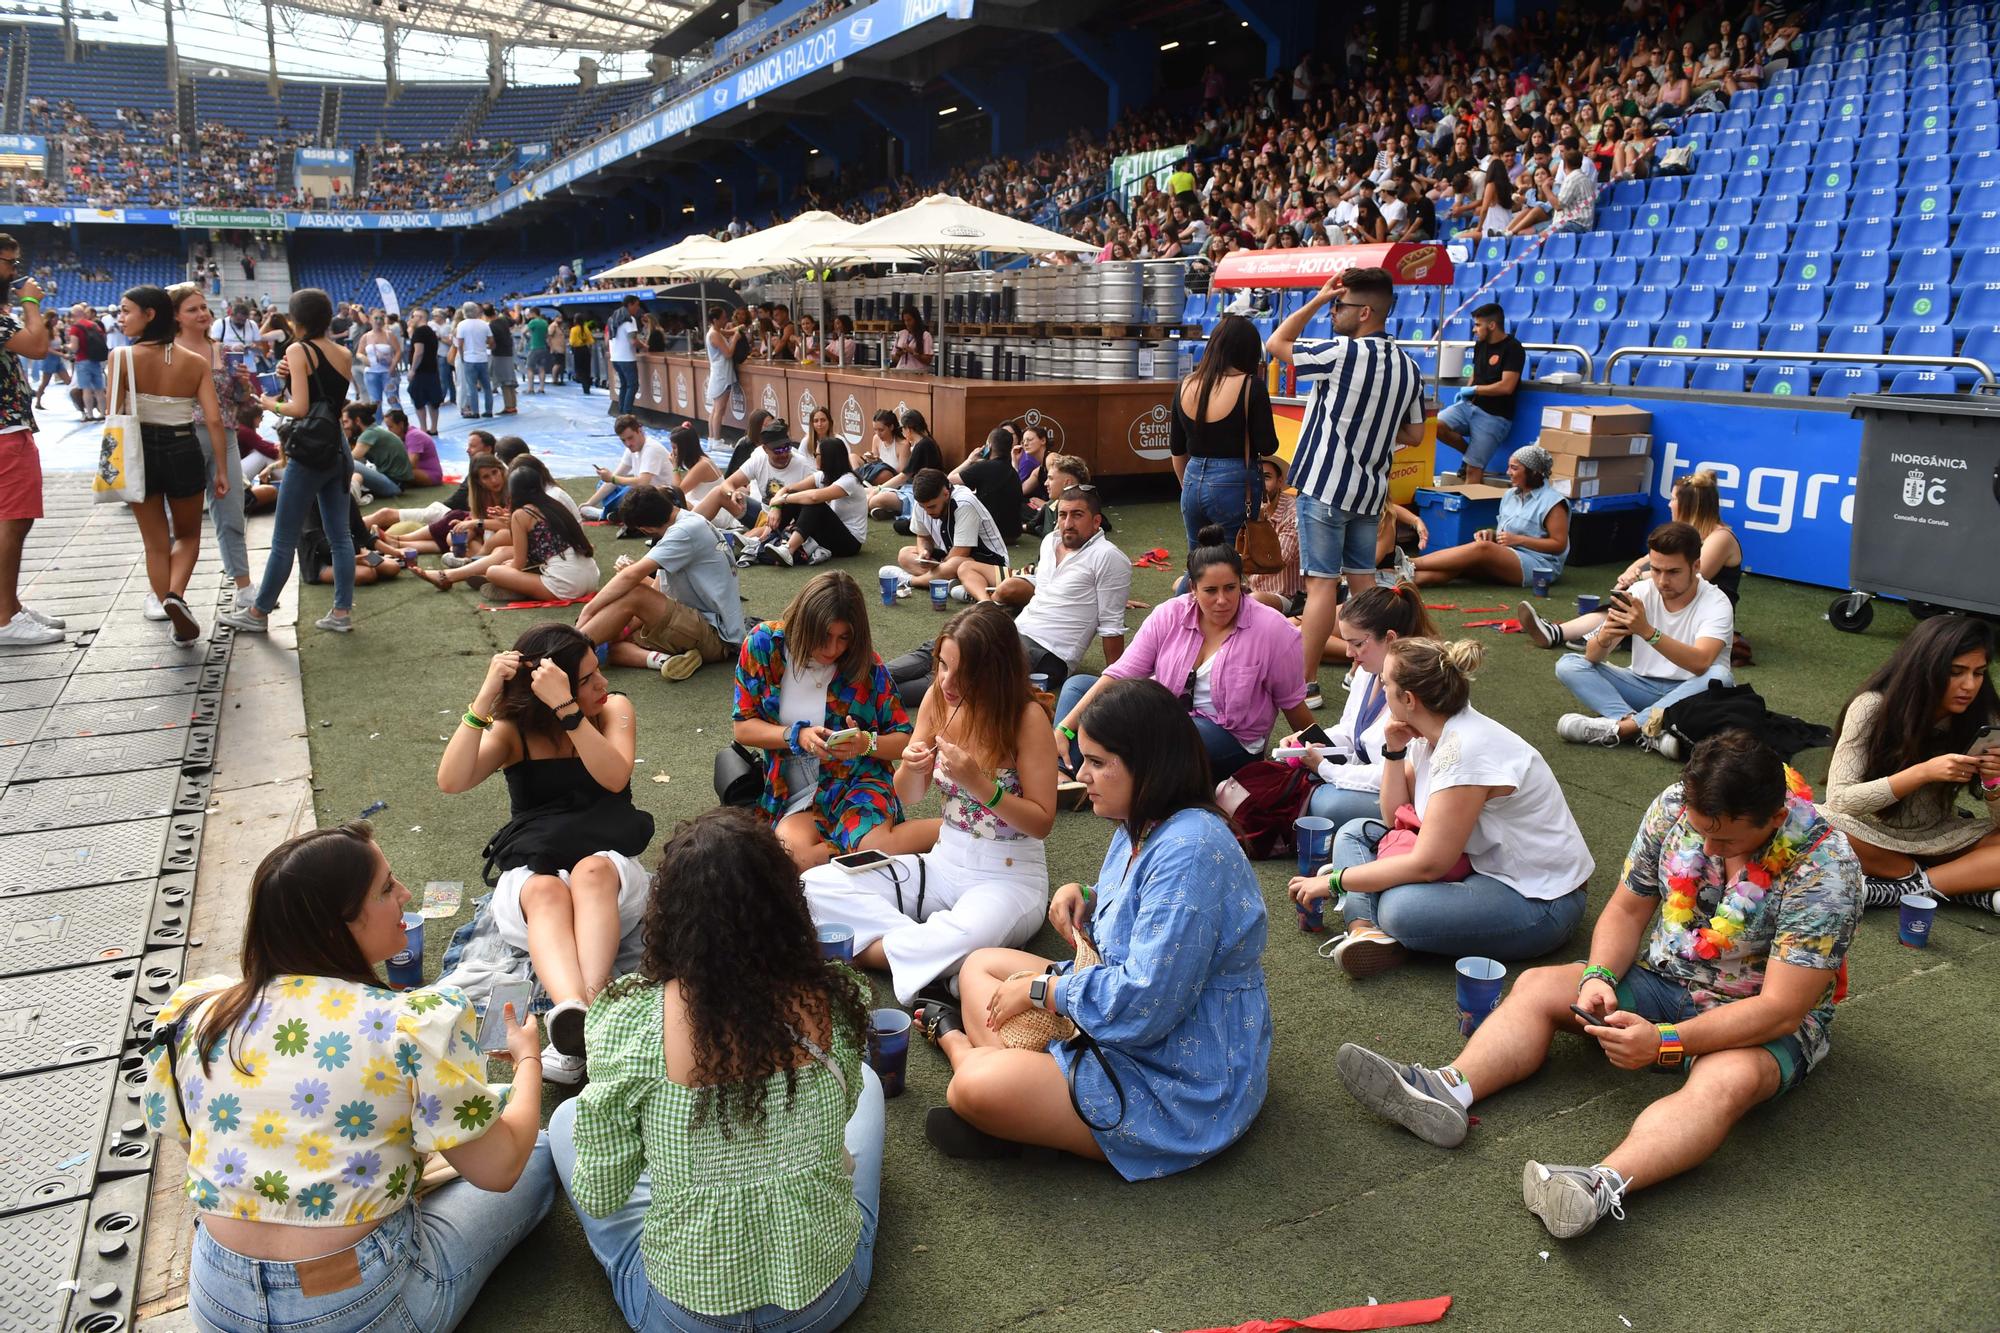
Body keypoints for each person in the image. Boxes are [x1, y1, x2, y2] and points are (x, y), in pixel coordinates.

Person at [1334, 731, 1860, 1239]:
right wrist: (1599, 976)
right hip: (1666, 977)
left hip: (1756, 1016)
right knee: (1541, 987)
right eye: (1701, 832)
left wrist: (1667, 1043)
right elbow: (1628, 908)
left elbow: (1782, 1010)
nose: (1709, 845)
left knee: (1725, 1084)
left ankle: (1594, 1186)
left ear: (1774, 817)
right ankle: (1447, 1089)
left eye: (1724, 839)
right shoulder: (1679, 806)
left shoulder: (1826, 869)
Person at [141, 822, 554, 1332]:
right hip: (355, 1302)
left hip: (218, 1297)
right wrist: (529, 1058)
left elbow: (199, 1145)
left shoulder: (199, 1014)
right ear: (338, 925)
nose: (404, 894)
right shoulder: (407, 1024)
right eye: (385, 889)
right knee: (534, 1149)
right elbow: (499, 1170)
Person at [917, 678, 1271, 1174]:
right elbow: (1148, 912)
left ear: (1149, 764)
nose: (1081, 774)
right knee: (980, 966)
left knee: (974, 1087)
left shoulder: (1191, 852)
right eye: (1084, 759)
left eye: (1099, 762)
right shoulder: (1148, 819)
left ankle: (962, 1050)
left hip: (1179, 1076)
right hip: (1118, 1014)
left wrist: (1043, 992)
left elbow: (1149, 1003)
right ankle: (1022, 1100)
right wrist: (1086, 896)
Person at [549, 807, 884, 1332]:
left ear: (669, 914)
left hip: (685, 1316)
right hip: (822, 1302)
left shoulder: (631, 1018)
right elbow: (840, 1114)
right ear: (784, 903)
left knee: (569, 1119)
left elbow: (601, 1193)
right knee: (871, 1091)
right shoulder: (830, 999)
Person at [1294, 637, 1593, 973]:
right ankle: (1364, 928)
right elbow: (1393, 817)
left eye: (1385, 682)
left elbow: (1429, 865)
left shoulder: (1462, 750)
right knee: (1354, 832)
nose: (1380, 685)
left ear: (1408, 698)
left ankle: (1373, 911)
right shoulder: (1432, 729)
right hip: (1483, 868)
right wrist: (1393, 750)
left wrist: (1336, 882)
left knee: (1399, 909)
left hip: (1541, 902)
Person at [804, 607, 1058, 1004]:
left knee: (967, 934)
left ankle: (872, 949)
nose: (946, 680)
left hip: (1008, 877)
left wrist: (979, 784)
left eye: (962, 672)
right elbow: (908, 795)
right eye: (942, 665)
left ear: (995, 670)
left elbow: (1042, 822)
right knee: (814, 886)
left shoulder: (1027, 718)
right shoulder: (938, 700)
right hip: (941, 865)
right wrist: (911, 766)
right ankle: (943, 962)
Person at [436, 624, 654, 1083]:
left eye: (600, 672)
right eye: (589, 678)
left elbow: (614, 777)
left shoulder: (613, 709)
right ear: (548, 687)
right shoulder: (514, 732)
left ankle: (584, 1017)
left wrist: (570, 710)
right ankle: (574, 1014)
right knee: (545, 889)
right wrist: (483, 699)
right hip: (536, 872)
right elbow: (451, 781)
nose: (603, 685)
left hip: (608, 871)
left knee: (592, 870)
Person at [1266, 267, 1426, 712]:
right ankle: (1375, 673)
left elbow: (1276, 343)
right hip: (1370, 491)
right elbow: (1414, 434)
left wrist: (1315, 299)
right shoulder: (1409, 367)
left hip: (1324, 485)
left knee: (1320, 586)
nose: (1333, 311)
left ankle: (1305, 683)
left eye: (1340, 305)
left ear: (1365, 312)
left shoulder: (1340, 352)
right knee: (1363, 583)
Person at [1055, 527, 1311, 783]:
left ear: (1241, 585)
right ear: (1193, 588)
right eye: (1211, 590)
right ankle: (1064, 772)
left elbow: (1293, 705)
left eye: (1231, 588)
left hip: (1231, 741)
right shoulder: (1170, 614)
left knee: (1160, 733)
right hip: (1165, 721)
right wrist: (1065, 728)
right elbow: (1120, 674)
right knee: (1078, 688)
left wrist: (1325, 756)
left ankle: (1108, 778)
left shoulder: (1273, 629)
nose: (1222, 600)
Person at [731, 571, 919, 873]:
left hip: (858, 776)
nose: (833, 649)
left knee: (867, 845)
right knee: (796, 857)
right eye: (824, 636)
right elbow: (743, 728)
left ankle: (952, 834)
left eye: (844, 637)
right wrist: (797, 735)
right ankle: (873, 852)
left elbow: (904, 739)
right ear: (803, 624)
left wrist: (865, 744)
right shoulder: (764, 644)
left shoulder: (865, 663)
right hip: (792, 784)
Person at [1821, 614, 2000, 911]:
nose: (1969, 685)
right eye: (1956, 672)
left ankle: (1906, 888)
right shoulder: (1872, 707)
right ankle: (1957, 889)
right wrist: (1922, 772)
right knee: (1805, 821)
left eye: (1978, 673)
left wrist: (1994, 783)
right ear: (1926, 669)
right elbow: (1839, 802)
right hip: (1866, 833)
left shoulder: (1986, 717)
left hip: (1941, 836)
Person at [224, 291, 356, 636]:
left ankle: (258, 611)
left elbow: (299, 408)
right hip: (337, 448)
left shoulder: (299, 350)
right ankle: (341, 612)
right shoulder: (343, 352)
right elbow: (325, 395)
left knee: (284, 537)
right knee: (340, 535)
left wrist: (270, 403)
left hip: (309, 450)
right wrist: (288, 372)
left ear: (295, 321)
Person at [113, 285, 231, 645]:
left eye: (126, 310)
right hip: (183, 447)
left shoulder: (121, 357)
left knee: (154, 543)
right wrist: (222, 469)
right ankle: (175, 596)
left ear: (150, 315)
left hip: (139, 452)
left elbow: (114, 415)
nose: (121, 317)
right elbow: (213, 419)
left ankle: (169, 604)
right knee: (189, 535)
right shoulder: (195, 362)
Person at [1553, 522, 1735, 751]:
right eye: (1656, 570)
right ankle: (1646, 728)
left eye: (1673, 572)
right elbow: (1593, 657)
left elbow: (1700, 664)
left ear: (1696, 566)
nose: (1662, 581)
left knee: (1720, 676)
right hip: (1641, 685)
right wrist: (1604, 638)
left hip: (1693, 693)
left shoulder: (1716, 601)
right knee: (1569, 664)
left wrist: (1647, 632)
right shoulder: (1639, 592)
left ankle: (1625, 729)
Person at [1518, 469, 1742, 650]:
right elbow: (1648, 559)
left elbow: (1695, 576)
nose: (1669, 504)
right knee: (1628, 602)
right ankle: (1562, 632)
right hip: (1674, 598)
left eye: (1673, 499)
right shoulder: (1682, 535)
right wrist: (1631, 573)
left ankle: (1576, 633)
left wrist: (1636, 579)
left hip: (1699, 609)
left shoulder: (1720, 538)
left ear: (1690, 506)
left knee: (1631, 604)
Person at [1281, 582, 1436, 831]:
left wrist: (1327, 769)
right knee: (1309, 790)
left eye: (1356, 643)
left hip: (1409, 793)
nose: (1348, 653)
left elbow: (1396, 773)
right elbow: (1350, 731)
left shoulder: (1417, 690)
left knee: (1327, 804)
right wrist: (1308, 740)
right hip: (1377, 778)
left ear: (1390, 639)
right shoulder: (1369, 671)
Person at [575, 485, 744, 683]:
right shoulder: (687, 522)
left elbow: (632, 577)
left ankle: (566, 650)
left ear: (645, 529)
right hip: (702, 627)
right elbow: (658, 590)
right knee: (608, 643)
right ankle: (664, 660)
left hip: (717, 636)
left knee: (634, 593)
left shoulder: (684, 532)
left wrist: (588, 611)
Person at [166, 283, 255, 617]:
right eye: (193, 309)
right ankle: (169, 593)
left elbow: (241, 401)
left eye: (204, 307)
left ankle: (244, 587)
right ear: (175, 316)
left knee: (231, 513)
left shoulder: (223, 350)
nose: (202, 314)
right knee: (181, 524)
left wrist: (244, 383)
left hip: (226, 438)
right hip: (181, 439)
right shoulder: (167, 351)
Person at [1171, 314, 1282, 552]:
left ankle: (1187, 590)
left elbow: (1176, 448)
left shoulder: (1186, 384)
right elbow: (1268, 445)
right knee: (1232, 559)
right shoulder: (1251, 385)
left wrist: (1188, 485)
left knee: (1198, 560)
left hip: (1192, 480)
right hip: (1233, 482)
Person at [412, 465, 599, 601]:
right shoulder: (554, 504)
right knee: (504, 555)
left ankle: (508, 585)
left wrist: (506, 567)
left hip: (567, 585)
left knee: (494, 571)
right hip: (591, 577)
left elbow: (518, 563)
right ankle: (514, 585)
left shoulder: (522, 514)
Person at [1411, 444, 1570, 590]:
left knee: (1482, 549)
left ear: (1533, 472)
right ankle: (1406, 579)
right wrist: (1492, 534)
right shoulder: (1509, 495)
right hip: (1507, 554)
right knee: (1462, 563)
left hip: (1538, 565)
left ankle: (1409, 563)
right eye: (1509, 467)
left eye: (1514, 468)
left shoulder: (1553, 502)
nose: (1508, 473)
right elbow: (1505, 535)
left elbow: (1558, 545)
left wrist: (1518, 540)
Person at [0, 236, 57, 646]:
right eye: (9, 264)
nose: (15, 274)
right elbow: (38, 346)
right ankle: (5, 618)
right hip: (5, 431)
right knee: (12, 522)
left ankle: (9, 606)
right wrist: (31, 303)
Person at [1433, 303, 1524, 486]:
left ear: (1491, 326)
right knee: (1435, 425)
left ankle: (1465, 511)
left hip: (1495, 416)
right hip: (1469, 406)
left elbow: (1507, 386)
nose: (1474, 330)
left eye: (1477, 325)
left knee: (1473, 470)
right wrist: (1467, 391)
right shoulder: (1480, 344)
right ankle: (1470, 455)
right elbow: (1476, 372)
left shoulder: (1513, 348)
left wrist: (1475, 390)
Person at [896, 468, 1009, 602]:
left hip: (990, 563)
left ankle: (912, 581)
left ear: (945, 493)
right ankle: (953, 583)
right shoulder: (922, 504)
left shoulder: (964, 503)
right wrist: (924, 553)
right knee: (905, 554)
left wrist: (942, 566)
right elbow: (923, 536)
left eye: (931, 507)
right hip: (952, 558)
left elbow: (962, 552)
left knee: (956, 564)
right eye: (923, 507)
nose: (927, 512)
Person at [758, 430, 868, 566]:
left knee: (814, 503)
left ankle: (788, 550)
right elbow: (787, 488)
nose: (814, 456)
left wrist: (783, 499)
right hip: (831, 533)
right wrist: (776, 506)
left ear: (828, 457)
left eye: (817, 454)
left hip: (849, 544)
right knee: (796, 500)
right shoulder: (823, 476)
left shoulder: (849, 480)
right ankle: (764, 539)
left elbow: (814, 497)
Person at [698, 418, 817, 537]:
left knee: (750, 537)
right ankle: (685, 528)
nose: (784, 454)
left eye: (786, 448)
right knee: (718, 492)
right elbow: (727, 483)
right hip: (763, 513)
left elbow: (814, 504)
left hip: (788, 522)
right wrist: (732, 493)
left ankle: (737, 545)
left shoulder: (804, 466)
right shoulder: (759, 459)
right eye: (778, 450)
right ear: (765, 449)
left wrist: (779, 508)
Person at [581, 414, 672, 521]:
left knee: (631, 490)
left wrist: (612, 478)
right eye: (623, 440)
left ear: (640, 431)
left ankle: (605, 514)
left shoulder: (651, 448)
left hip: (660, 498)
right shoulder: (632, 448)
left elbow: (643, 482)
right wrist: (589, 503)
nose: (628, 444)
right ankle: (615, 513)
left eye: (630, 438)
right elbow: (615, 477)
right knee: (603, 484)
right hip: (643, 494)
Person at [1246, 456, 1303, 614]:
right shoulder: (1247, 507)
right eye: (1254, 477)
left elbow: (1277, 561)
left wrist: (1261, 523)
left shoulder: (1293, 513)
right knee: (1186, 583)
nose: (1259, 484)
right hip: (1253, 589)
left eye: (1266, 477)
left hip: (1288, 597)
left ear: (1280, 481)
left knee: (1254, 601)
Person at [864, 410, 945, 520]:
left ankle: (891, 510)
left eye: (903, 429)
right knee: (864, 492)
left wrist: (879, 489)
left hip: (919, 492)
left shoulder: (923, 444)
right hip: (910, 488)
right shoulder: (921, 443)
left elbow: (904, 476)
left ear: (909, 429)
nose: (902, 432)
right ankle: (888, 510)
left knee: (875, 499)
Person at [344, 402, 412, 501]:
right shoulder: (373, 430)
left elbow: (349, 460)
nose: (345, 426)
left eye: (346, 422)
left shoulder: (369, 434)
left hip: (393, 485)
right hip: (395, 483)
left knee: (349, 463)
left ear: (357, 420)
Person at [404, 308, 443, 435]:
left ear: (420, 317)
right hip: (432, 370)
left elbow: (419, 352)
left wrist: (413, 370)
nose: (411, 319)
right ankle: (434, 428)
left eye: (413, 316)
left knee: (419, 399)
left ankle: (423, 428)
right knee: (433, 400)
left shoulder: (420, 332)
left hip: (421, 371)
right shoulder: (430, 331)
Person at [382, 408, 442, 487]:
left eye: (390, 427)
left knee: (394, 472)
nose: (388, 431)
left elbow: (411, 464)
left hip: (431, 475)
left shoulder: (413, 435)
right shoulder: (404, 435)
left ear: (401, 424)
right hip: (421, 472)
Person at [454, 301, 493, 418]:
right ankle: (488, 410)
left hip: (469, 358)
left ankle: (475, 412)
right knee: (487, 387)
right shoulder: (484, 324)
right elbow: (491, 341)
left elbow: (460, 344)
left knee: (472, 387)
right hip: (482, 358)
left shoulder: (461, 325)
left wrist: (462, 356)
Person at [702, 306, 736, 441]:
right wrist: (736, 339)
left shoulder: (716, 331)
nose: (726, 320)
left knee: (716, 408)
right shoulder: (714, 334)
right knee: (719, 409)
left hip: (721, 373)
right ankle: (716, 439)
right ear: (715, 320)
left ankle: (712, 438)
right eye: (723, 318)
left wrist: (737, 330)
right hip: (721, 375)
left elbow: (728, 332)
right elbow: (728, 353)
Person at [607, 293, 642, 417]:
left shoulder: (613, 317)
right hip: (627, 358)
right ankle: (627, 412)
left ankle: (621, 411)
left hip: (615, 357)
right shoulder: (629, 319)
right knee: (632, 385)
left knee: (624, 385)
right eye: (636, 305)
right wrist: (644, 347)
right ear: (630, 304)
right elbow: (633, 340)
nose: (638, 308)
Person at [357, 312, 399, 408]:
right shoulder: (366, 337)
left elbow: (398, 351)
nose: (378, 321)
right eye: (376, 318)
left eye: (381, 318)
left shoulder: (390, 336)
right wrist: (363, 357)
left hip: (388, 373)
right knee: (375, 403)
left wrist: (393, 365)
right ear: (370, 319)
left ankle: (400, 422)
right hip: (371, 373)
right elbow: (359, 352)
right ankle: (378, 422)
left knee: (393, 399)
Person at [487, 306, 517, 415]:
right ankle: (513, 405)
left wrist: (489, 347)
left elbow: (492, 342)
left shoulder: (492, 325)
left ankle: (509, 406)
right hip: (508, 352)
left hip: (499, 354)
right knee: (510, 380)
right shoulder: (503, 320)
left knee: (504, 381)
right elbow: (515, 321)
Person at [890, 306, 933, 373]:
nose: (907, 323)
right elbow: (893, 358)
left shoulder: (925, 335)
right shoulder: (901, 334)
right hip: (901, 372)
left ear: (916, 319)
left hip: (917, 373)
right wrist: (898, 354)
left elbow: (928, 360)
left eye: (909, 320)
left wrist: (913, 352)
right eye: (905, 320)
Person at [570, 313, 595, 393]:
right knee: (587, 369)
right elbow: (591, 340)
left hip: (578, 350)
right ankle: (587, 386)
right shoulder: (585, 328)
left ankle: (583, 383)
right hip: (585, 349)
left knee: (579, 369)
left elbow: (572, 342)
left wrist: (578, 342)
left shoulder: (574, 329)